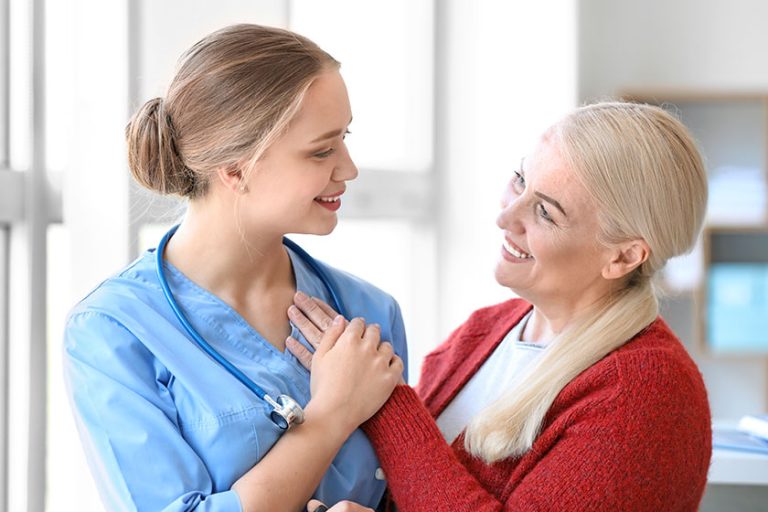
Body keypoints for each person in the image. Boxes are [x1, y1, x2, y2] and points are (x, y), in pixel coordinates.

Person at [288, 101, 712, 511]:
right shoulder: (483, 332)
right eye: (520, 179)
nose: (507, 216)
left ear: (622, 257)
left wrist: (385, 401)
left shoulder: (645, 392)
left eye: (545, 212)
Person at [62, 24, 407, 512]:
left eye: (344, 139)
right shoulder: (114, 331)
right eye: (322, 149)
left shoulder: (369, 313)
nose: (348, 168)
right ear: (236, 169)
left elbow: (410, 493)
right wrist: (331, 416)